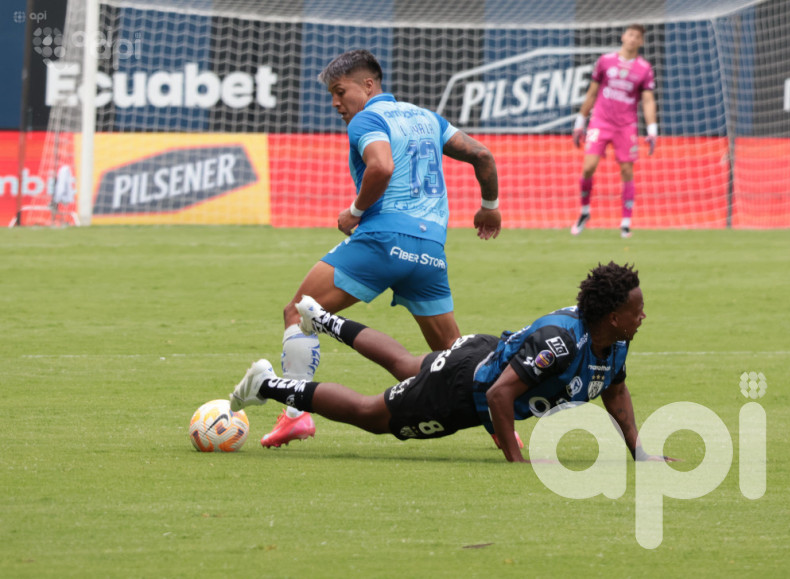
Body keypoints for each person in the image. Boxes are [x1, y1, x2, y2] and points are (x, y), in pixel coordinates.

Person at [261, 49, 501, 448]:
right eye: (332, 96)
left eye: (340, 92)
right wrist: (489, 207)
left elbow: (382, 166)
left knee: (297, 309)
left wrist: (355, 211)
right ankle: (502, 429)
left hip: (383, 241)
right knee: (455, 359)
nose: (336, 103)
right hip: (430, 252)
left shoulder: (367, 119)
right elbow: (482, 154)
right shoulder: (428, 118)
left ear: (368, 85)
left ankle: (295, 414)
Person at [231, 262, 675, 463]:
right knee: (371, 415)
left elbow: (614, 388)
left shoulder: (614, 340)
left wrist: (638, 452)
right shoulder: (560, 344)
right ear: (614, 316)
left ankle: (321, 317)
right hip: (464, 389)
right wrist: (514, 457)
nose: (644, 316)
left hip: (480, 354)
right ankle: (266, 383)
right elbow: (501, 394)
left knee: (407, 363)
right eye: (638, 310)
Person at [571, 24, 657, 239]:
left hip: (626, 125)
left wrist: (652, 129)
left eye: (637, 36)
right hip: (599, 122)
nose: (632, 39)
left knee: (627, 171)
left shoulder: (644, 68)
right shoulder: (605, 61)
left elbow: (647, 100)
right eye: (630, 34)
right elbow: (591, 93)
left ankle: (625, 222)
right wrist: (580, 121)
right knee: (589, 167)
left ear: (641, 42)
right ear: (622, 36)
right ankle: (584, 212)